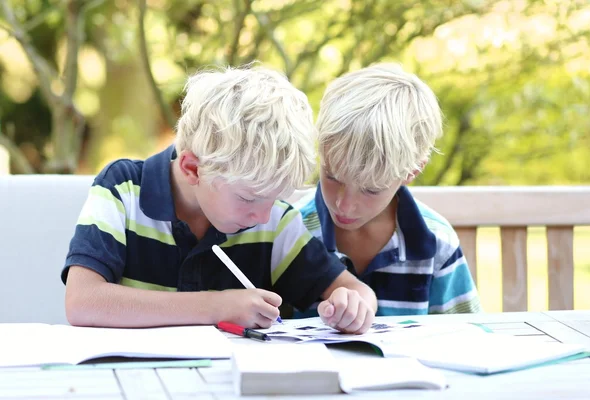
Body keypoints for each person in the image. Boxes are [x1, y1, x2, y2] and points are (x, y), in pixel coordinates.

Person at [62, 65, 377, 333]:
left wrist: (355, 304)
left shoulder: (276, 221)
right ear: (192, 168)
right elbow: (83, 302)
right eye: (248, 198)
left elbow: (352, 289)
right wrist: (217, 306)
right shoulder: (123, 190)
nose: (263, 216)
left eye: (275, 198)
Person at [297, 63, 481, 316]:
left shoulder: (437, 243)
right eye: (332, 176)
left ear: (412, 172)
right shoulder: (290, 231)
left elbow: (465, 337)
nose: (344, 204)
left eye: (371, 190)